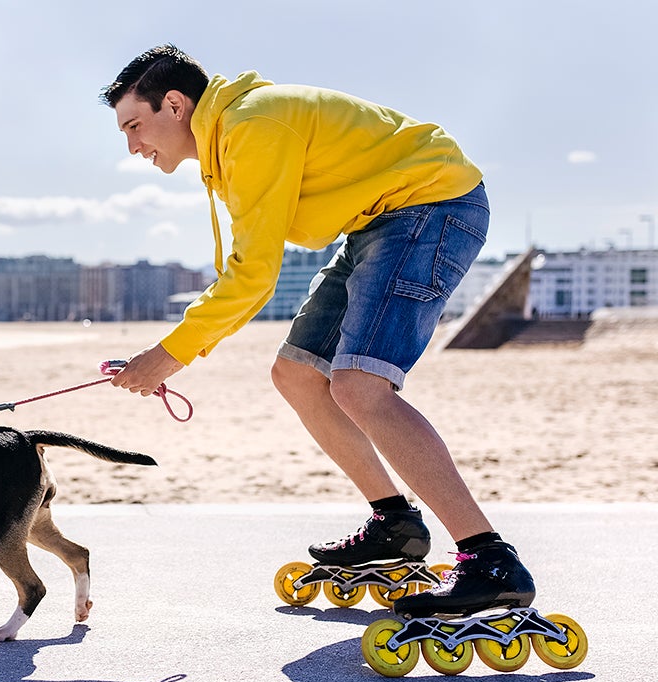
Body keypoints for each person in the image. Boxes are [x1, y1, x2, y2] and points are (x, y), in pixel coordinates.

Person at [99, 44, 534, 618]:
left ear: (174, 104)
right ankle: (395, 525)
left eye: (135, 126)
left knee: (359, 387)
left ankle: (489, 559)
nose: (132, 147)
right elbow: (246, 267)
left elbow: (254, 275)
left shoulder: (253, 125)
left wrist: (168, 356)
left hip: (430, 205)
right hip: (378, 222)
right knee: (299, 374)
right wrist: (168, 351)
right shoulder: (231, 139)